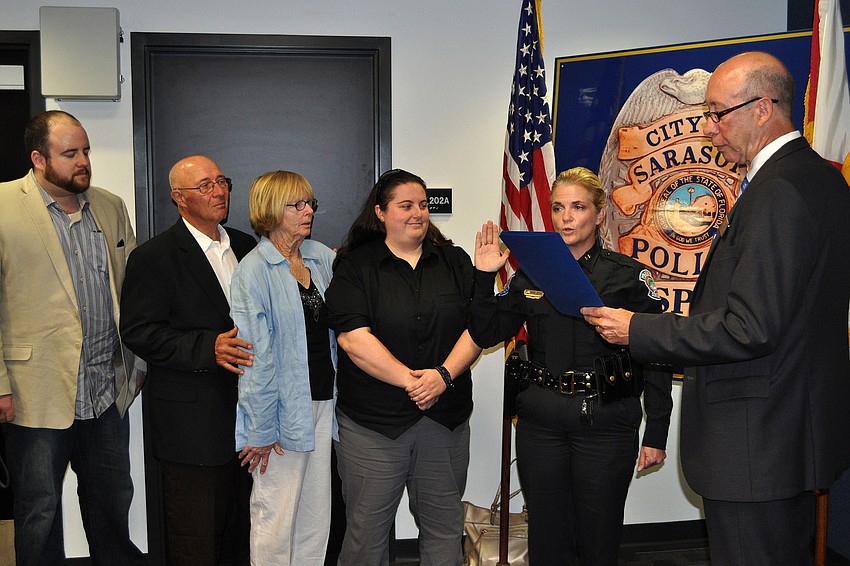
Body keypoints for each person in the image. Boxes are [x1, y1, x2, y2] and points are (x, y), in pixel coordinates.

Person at [582, 51, 850, 566]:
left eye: (718, 113)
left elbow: (749, 327)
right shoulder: (816, 179)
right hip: (783, 433)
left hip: (758, 441)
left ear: (763, 108)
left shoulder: (780, 193)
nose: (711, 128)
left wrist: (639, 330)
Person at [470, 167, 673, 565]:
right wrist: (482, 277)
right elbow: (487, 331)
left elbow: (658, 353)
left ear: (599, 215)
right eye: (558, 207)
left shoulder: (627, 276)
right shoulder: (533, 272)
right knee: (547, 535)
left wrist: (657, 432)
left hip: (606, 421)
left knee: (598, 538)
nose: (566, 217)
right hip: (542, 422)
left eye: (578, 207)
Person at [0, 110, 144, 565]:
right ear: (38, 158)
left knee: (112, 500)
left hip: (105, 388)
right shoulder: (4, 207)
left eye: (86, 151)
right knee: (39, 509)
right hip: (34, 392)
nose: (83, 161)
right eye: (70, 153)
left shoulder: (110, 205)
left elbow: (134, 291)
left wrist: (136, 367)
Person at [325, 169, 482, 566]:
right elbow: (352, 338)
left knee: (445, 526)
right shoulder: (355, 266)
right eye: (405, 205)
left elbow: (479, 327)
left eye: (423, 206)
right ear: (380, 212)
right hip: (373, 426)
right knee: (365, 531)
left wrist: (442, 376)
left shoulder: (454, 261)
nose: (418, 214)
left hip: (444, 421)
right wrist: (414, 382)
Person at [120, 155, 257, 565]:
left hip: (252, 421)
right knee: (195, 540)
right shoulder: (154, 257)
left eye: (222, 180)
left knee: (246, 533)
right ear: (178, 198)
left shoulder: (246, 246)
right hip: (192, 428)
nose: (218, 191)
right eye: (205, 186)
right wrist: (207, 347)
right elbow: (139, 332)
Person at [230, 170, 337, 565]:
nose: (309, 211)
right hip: (280, 412)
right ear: (272, 210)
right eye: (298, 204)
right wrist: (259, 429)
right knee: (275, 514)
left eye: (311, 203)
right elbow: (253, 357)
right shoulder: (253, 270)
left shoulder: (320, 257)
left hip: (324, 402)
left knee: (315, 512)